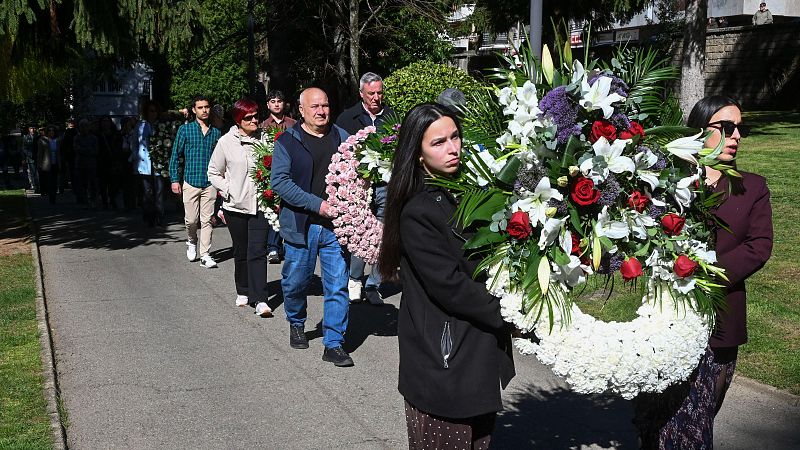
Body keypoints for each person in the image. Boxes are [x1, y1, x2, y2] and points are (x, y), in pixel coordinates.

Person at [633, 95, 773, 449]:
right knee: (655, 425)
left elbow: (759, 246)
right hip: (664, 324)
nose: (736, 135)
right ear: (701, 130)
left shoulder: (752, 187)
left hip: (719, 325)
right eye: (726, 127)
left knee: (694, 429)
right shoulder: (666, 185)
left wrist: (701, 276)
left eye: (741, 128)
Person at [377, 103, 515, 449]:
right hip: (445, 360)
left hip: (474, 353)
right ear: (418, 154)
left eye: (455, 137)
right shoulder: (418, 209)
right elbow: (450, 286)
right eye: (438, 142)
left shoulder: (467, 191)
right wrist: (511, 313)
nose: (453, 148)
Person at [271, 87, 354, 367]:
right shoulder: (287, 141)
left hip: (335, 228)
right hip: (301, 225)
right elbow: (280, 183)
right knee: (295, 283)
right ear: (302, 110)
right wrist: (317, 205)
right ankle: (296, 321)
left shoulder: (343, 138)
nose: (321, 111)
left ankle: (334, 343)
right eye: (315, 106)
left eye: (325, 105)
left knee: (337, 285)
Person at [208, 98, 273, 317]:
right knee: (241, 251)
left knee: (258, 250)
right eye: (248, 117)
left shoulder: (266, 139)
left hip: (261, 205)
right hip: (235, 206)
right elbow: (213, 172)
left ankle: (261, 299)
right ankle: (243, 289)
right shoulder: (226, 142)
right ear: (238, 120)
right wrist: (229, 189)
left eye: (256, 115)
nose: (254, 120)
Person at [336, 72, 395, 304]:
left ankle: (375, 284)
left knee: (384, 233)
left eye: (380, 92)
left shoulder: (391, 116)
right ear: (361, 93)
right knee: (360, 232)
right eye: (371, 93)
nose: (376, 97)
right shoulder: (347, 118)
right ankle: (355, 279)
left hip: (385, 184)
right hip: (358, 185)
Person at [170, 95, 223, 268]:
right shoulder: (185, 130)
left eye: (206, 107)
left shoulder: (216, 133)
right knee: (191, 220)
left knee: (207, 220)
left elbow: (221, 160)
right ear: (194, 110)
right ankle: (191, 240)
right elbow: (175, 156)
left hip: (210, 183)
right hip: (190, 181)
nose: (204, 110)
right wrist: (174, 180)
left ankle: (205, 254)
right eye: (200, 107)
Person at [260, 90, 295, 263]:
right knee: (273, 209)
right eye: (272, 101)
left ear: (284, 104)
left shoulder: (294, 124)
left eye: (279, 101)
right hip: (269, 172)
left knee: (288, 209)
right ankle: (273, 248)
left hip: (290, 173)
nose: (276, 104)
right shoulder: (263, 126)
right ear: (268, 105)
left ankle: (289, 245)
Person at [132, 100, 166, 226]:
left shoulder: (162, 125)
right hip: (144, 163)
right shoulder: (140, 125)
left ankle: (160, 216)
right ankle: (148, 216)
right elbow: (134, 142)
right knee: (147, 192)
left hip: (159, 163)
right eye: (151, 111)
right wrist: (136, 156)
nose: (154, 113)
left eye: (155, 111)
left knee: (159, 191)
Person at [73, 119, 100, 208]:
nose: (84, 128)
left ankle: (93, 200)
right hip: (80, 164)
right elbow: (77, 149)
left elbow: (95, 151)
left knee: (92, 183)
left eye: (86, 126)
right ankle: (83, 200)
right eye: (82, 126)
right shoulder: (77, 138)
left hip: (91, 164)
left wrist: (84, 149)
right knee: (82, 183)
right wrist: (87, 149)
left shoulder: (93, 138)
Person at [37, 125, 61, 204]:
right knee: (50, 181)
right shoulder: (42, 140)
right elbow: (40, 153)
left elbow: (59, 153)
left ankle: (53, 196)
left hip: (56, 163)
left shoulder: (57, 140)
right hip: (47, 164)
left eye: (53, 130)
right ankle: (51, 198)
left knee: (54, 181)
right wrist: (39, 164)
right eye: (50, 131)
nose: (51, 132)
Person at [23, 126, 39, 192]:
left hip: (38, 157)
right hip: (30, 158)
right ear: (29, 129)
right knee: (32, 172)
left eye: (33, 128)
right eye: (31, 128)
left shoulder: (38, 137)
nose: (32, 129)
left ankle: (38, 186)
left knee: (38, 173)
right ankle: (34, 186)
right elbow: (24, 148)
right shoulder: (26, 137)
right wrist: (29, 155)